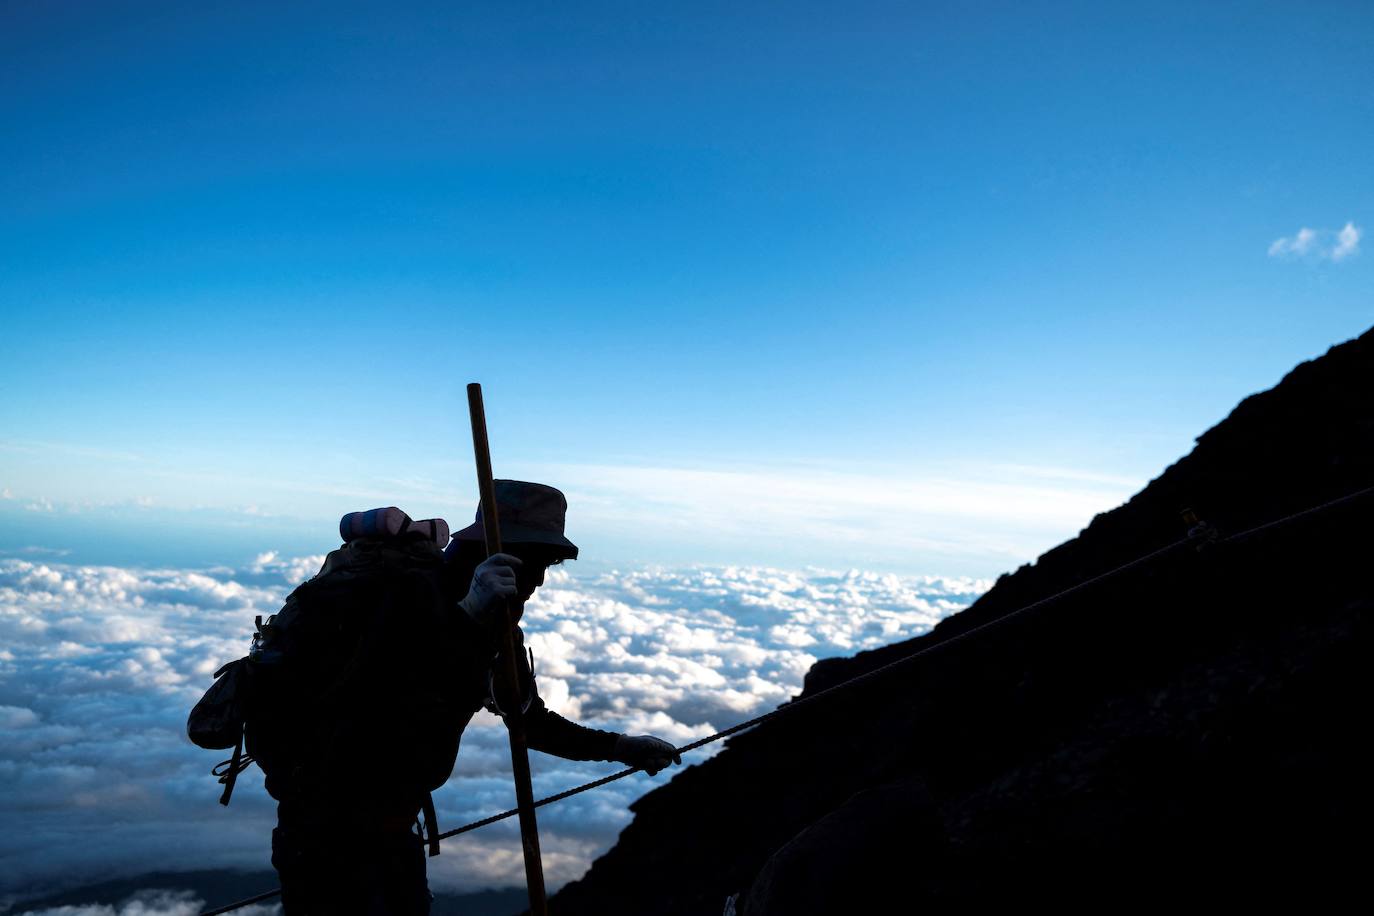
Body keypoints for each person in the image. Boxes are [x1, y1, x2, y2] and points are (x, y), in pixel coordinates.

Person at [261, 480, 680, 915]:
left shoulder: (496, 625)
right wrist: (466, 620)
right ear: (491, 548)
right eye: (531, 561)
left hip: (392, 830)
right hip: (325, 834)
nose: (537, 580)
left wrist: (618, 747)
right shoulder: (407, 595)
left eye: (547, 565)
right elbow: (373, 703)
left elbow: (529, 720)